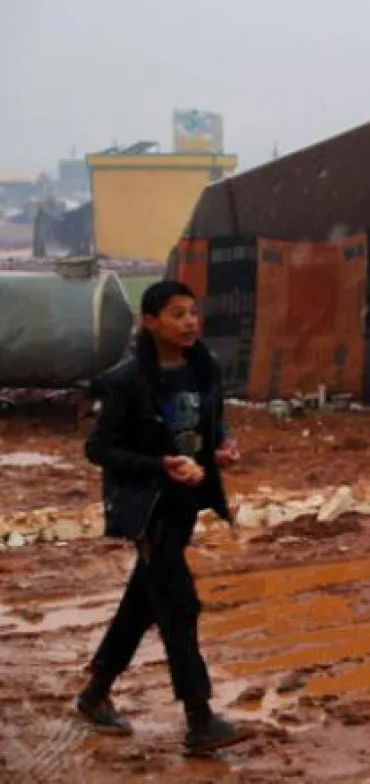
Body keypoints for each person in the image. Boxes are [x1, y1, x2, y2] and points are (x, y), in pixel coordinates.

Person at [76, 280, 247, 753]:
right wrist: (159, 466)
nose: (190, 321)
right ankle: (199, 717)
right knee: (177, 603)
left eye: (193, 312)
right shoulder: (126, 381)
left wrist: (220, 450)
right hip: (148, 507)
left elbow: (212, 422)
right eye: (176, 313)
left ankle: (94, 694)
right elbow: (99, 448)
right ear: (150, 322)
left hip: (185, 503)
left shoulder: (203, 366)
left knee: (144, 602)